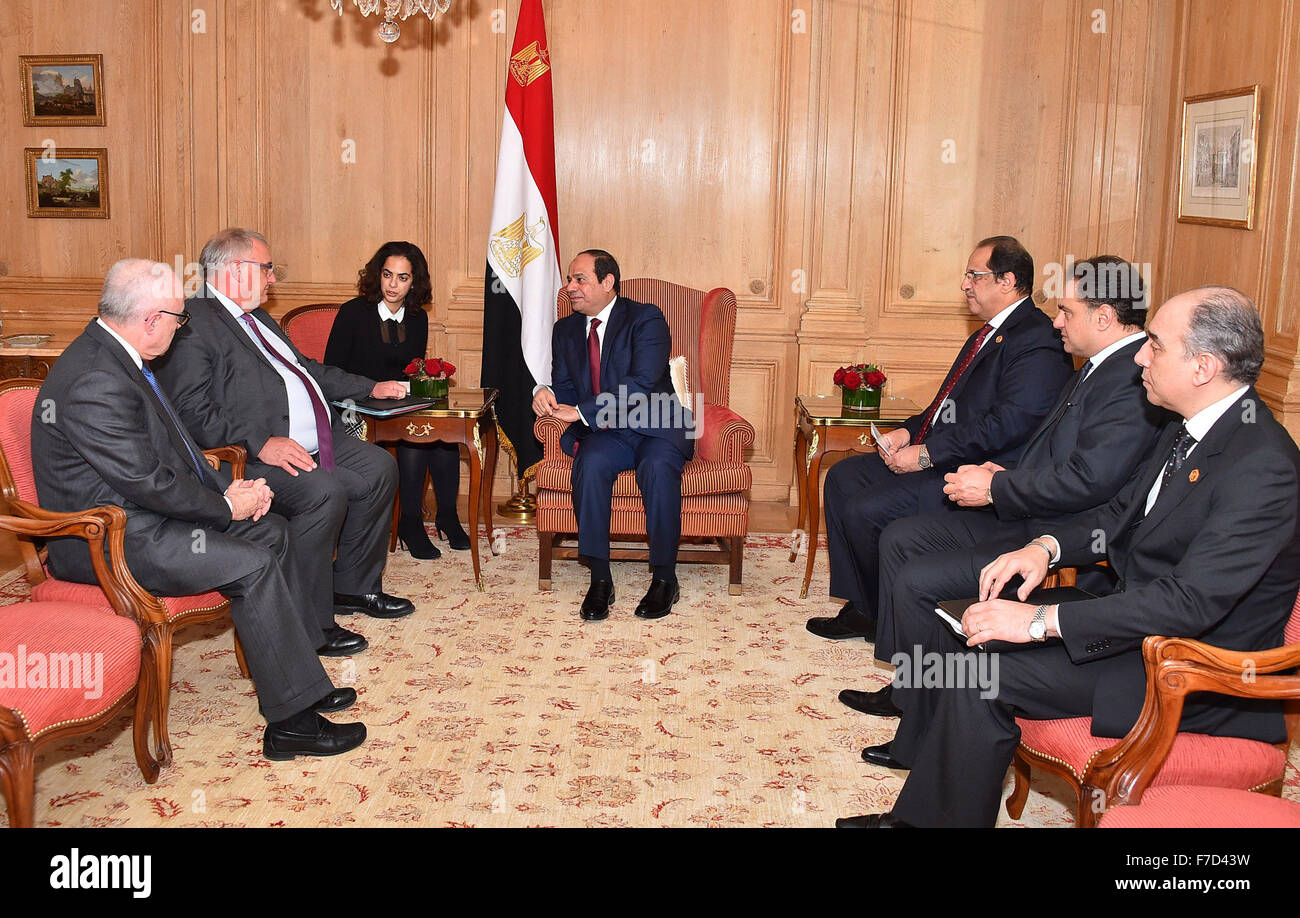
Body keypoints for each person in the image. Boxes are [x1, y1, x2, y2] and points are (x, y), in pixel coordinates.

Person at [837, 286, 1300, 827]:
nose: (1141, 356)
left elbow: (1188, 602)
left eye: (1154, 344)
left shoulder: (1262, 467)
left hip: (1187, 670)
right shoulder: (1189, 426)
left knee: (976, 668)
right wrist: (1044, 548)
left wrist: (1038, 621)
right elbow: (1118, 514)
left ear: (1202, 366)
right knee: (967, 628)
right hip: (1136, 627)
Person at [32, 259, 366, 759]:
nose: (180, 327)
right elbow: (148, 482)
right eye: (177, 318)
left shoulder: (120, 356)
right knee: (251, 561)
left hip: (145, 518)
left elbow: (179, 454)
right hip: (107, 538)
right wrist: (223, 506)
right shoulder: (94, 379)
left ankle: (295, 680)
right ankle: (291, 727)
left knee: (272, 531)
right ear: (150, 318)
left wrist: (238, 488)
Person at [845, 256, 1168, 725]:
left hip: (1056, 532)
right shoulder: (1099, 364)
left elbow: (1090, 480)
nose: (1055, 320)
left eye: (1066, 311)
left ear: (1103, 317)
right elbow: (1056, 448)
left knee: (917, 578)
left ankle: (922, 712)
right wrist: (1005, 468)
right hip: (1029, 510)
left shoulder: (1128, 381)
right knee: (900, 539)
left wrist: (999, 486)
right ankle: (913, 686)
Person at [155, 228, 415, 648]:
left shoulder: (257, 316)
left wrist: (369, 387)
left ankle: (351, 587)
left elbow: (306, 368)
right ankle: (309, 625)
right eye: (267, 268)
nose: (273, 279)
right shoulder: (194, 323)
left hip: (317, 438)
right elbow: (190, 411)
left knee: (379, 467)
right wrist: (260, 443)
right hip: (249, 457)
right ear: (237, 269)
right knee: (324, 492)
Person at [806, 236, 1074, 642]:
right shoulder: (989, 332)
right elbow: (945, 406)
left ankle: (886, 616)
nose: (965, 284)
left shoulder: (1036, 339)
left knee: (866, 509)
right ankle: (866, 606)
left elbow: (1007, 425)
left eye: (974, 275)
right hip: (948, 453)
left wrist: (927, 454)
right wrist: (907, 431)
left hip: (978, 473)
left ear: (1007, 281)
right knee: (843, 479)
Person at [532, 249, 694, 621]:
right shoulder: (566, 330)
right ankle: (601, 578)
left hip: (657, 424)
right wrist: (546, 394)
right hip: (611, 430)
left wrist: (583, 411)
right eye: (570, 279)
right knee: (590, 462)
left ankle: (666, 578)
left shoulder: (645, 318)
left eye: (580, 279)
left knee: (656, 468)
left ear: (608, 283)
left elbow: (642, 383)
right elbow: (568, 387)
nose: (570, 287)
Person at [324, 241, 469, 560]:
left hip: (399, 405)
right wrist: (372, 388)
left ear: (414, 282)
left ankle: (447, 516)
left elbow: (410, 369)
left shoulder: (417, 318)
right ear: (378, 275)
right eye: (388, 275)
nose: (393, 284)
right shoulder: (353, 313)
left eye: (402, 278)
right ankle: (410, 522)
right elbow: (331, 371)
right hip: (355, 405)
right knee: (414, 442)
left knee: (441, 437)